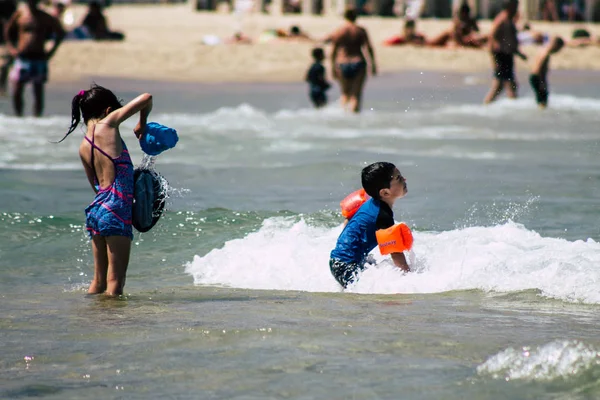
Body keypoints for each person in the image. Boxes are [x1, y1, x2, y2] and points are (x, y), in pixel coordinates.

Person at [57, 84, 153, 296]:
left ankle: (92, 321)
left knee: (98, 282)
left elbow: (96, 186)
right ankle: (112, 325)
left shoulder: (83, 146)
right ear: (108, 110)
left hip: (97, 211)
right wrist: (141, 123)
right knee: (115, 282)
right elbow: (146, 97)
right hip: (116, 209)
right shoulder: (108, 124)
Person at [329, 162, 410, 289]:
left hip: (338, 261)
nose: (404, 179)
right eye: (399, 178)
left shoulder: (370, 201)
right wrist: (409, 278)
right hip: (347, 266)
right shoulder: (383, 216)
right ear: (385, 193)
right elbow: (395, 252)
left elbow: (348, 220)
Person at [3, 0, 64, 116]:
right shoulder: (20, 15)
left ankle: (37, 119)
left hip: (39, 57)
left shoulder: (45, 17)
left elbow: (60, 33)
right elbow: (8, 31)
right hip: (22, 57)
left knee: (38, 90)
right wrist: (12, 49)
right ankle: (18, 117)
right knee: (17, 89)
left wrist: (51, 51)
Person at [327, 8, 376, 113]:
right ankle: (355, 121)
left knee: (345, 94)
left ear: (345, 16)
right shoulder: (360, 30)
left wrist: (332, 68)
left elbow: (333, 51)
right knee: (356, 95)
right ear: (356, 16)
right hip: (358, 62)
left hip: (342, 63)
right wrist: (373, 65)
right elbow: (369, 48)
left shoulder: (339, 31)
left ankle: (344, 118)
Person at [483, 0, 527, 104]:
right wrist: (495, 57)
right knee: (499, 84)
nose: (517, 8)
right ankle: (487, 104)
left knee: (511, 84)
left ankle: (512, 104)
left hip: (508, 55)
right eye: (515, 5)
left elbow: (510, 39)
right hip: (501, 55)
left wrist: (519, 53)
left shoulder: (510, 19)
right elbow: (491, 37)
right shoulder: (502, 19)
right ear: (509, 6)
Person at [529, 36, 564, 108]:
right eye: (558, 49)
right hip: (538, 77)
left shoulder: (543, 49)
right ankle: (541, 114)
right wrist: (541, 82)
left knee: (540, 97)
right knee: (543, 99)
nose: (558, 51)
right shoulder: (546, 53)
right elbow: (538, 68)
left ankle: (541, 112)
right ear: (555, 45)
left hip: (535, 77)